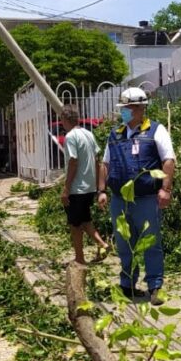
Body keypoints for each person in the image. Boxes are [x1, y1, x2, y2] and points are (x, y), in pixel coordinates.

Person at [97, 87, 176, 306]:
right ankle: (128, 284)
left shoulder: (156, 131)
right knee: (124, 243)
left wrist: (165, 189)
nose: (123, 112)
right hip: (119, 200)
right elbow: (105, 163)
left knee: (151, 242)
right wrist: (101, 190)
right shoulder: (115, 134)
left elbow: (168, 161)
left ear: (140, 109)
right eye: (122, 108)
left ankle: (155, 286)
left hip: (147, 199)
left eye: (127, 108)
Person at [60, 105, 111, 265]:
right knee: (85, 220)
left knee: (75, 225)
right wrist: (97, 186)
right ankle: (103, 244)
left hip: (77, 188)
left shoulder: (71, 137)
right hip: (89, 187)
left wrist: (66, 189)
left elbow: (73, 162)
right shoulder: (88, 134)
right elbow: (97, 161)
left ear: (65, 119)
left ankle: (79, 258)